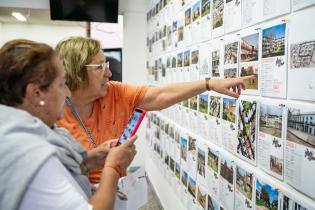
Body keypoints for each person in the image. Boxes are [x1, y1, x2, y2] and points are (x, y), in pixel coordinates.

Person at [55, 36, 254, 183]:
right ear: (76, 71)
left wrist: (209, 84)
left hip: (115, 189)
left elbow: (159, 95)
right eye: (99, 67)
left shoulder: (113, 92)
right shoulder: (52, 114)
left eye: (106, 64)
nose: (108, 72)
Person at [0, 39, 136, 210]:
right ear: (36, 93)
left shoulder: (20, 131)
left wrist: (89, 161)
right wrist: (113, 167)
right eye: (62, 84)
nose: (68, 92)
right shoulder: (29, 156)